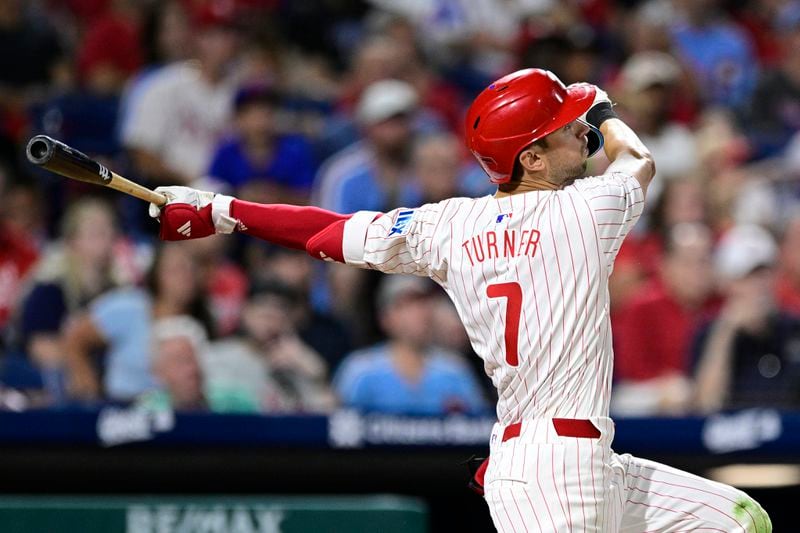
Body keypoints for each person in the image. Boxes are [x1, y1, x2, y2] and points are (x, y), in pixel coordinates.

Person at [147, 69, 771, 531]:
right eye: (566, 128)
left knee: (741, 519)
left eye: (581, 122)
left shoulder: (448, 225)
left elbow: (325, 230)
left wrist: (220, 210)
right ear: (529, 156)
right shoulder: (587, 208)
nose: (581, 132)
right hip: (554, 470)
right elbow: (636, 156)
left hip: (579, 457)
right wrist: (606, 108)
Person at [333, 275, 488, 415]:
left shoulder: (454, 370)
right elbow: (338, 427)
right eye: (406, 305)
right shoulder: (361, 370)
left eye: (423, 304)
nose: (418, 313)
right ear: (385, 318)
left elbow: (479, 427)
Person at [694, 225, 800, 413]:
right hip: (729, 438)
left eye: (765, 274)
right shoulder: (708, 332)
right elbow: (706, 406)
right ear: (728, 284)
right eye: (748, 277)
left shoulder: (793, 329)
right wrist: (725, 332)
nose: (760, 285)